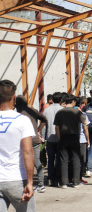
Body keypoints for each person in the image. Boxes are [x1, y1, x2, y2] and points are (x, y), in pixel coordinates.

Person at [0, 80, 35, 211]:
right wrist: (30, 182)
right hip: (17, 180)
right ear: (14, 97)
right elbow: (27, 152)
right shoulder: (22, 120)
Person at [16, 95, 48, 193]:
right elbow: (44, 119)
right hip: (35, 140)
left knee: (23, 162)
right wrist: (37, 130)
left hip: (24, 141)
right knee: (37, 162)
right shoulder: (33, 111)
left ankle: (25, 183)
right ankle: (41, 184)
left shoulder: (19, 113)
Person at [54, 94, 87, 188]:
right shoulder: (76, 111)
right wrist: (80, 111)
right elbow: (84, 122)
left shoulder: (60, 112)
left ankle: (64, 183)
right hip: (74, 137)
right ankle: (76, 182)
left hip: (63, 137)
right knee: (76, 158)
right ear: (73, 101)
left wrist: (60, 138)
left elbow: (57, 127)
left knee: (64, 159)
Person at [43, 92, 63, 187]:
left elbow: (43, 125)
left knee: (50, 159)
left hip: (50, 137)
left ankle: (50, 178)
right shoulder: (63, 110)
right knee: (59, 159)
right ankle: (58, 178)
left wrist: (43, 137)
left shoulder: (46, 110)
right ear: (61, 100)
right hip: (60, 138)